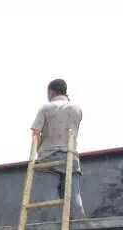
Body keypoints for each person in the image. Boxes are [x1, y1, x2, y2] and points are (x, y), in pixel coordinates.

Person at [31, 78, 86, 219]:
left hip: (48, 158)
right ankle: (80, 222)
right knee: (74, 196)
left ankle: (46, 222)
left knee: (46, 197)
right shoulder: (76, 109)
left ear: (51, 92)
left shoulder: (46, 108)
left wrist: (37, 152)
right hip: (71, 157)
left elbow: (35, 134)